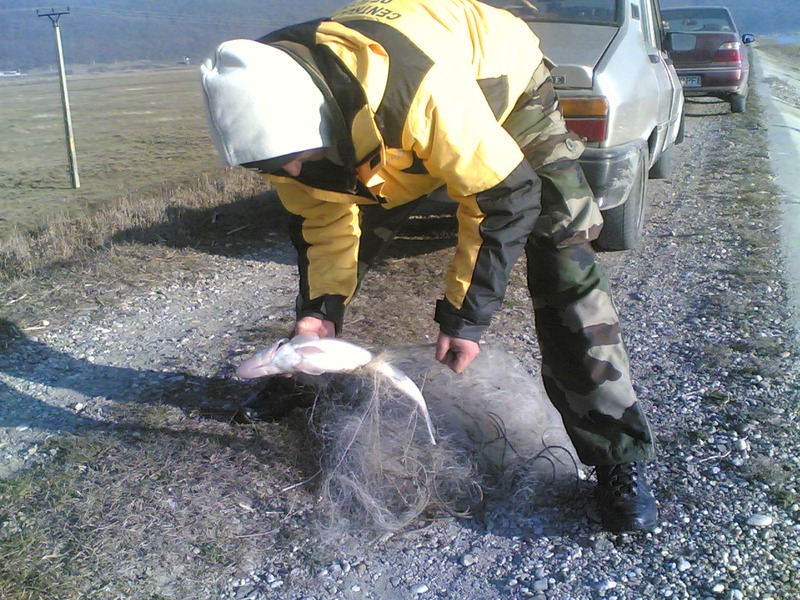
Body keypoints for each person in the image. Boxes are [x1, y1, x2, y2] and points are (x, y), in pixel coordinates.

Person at [200, 0, 658, 533]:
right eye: (275, 167)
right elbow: (323, 224)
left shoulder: (421, 92)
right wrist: (319, 310)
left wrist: (465, 319)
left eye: (297, 157)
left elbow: (504, 199)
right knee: (330, 278)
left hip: (503, 85)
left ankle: (617, 454)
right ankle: (304, 369)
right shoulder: (271, 113)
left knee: (563, 252)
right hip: (372, 132)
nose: (293, 171)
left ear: (318, 116)